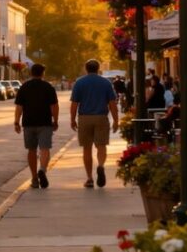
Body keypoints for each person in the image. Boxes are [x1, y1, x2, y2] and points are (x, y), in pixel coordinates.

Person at [70, 59, 119, 189]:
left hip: (84, 118)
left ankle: (89, 178)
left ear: (86, 69)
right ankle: (101, 165)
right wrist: (116, 120)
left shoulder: (79, 83)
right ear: (98, 69)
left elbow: (74, 104)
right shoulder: (106, 83)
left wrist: (72, 119)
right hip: (101, 117)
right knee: (101, 146)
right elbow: (112, 104)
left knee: (87, 149)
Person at [14, 63, 59, 189]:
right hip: (45, 123)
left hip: (29, 123)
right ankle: (42, 170)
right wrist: (55, 120)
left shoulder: (24, 87)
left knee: (31, 150)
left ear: (31, 73)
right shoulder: (48, 87)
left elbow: (19, 107)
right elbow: (54, 106)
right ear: (43, 73)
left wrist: (16, 122)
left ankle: (34, 178)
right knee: (45, 149)